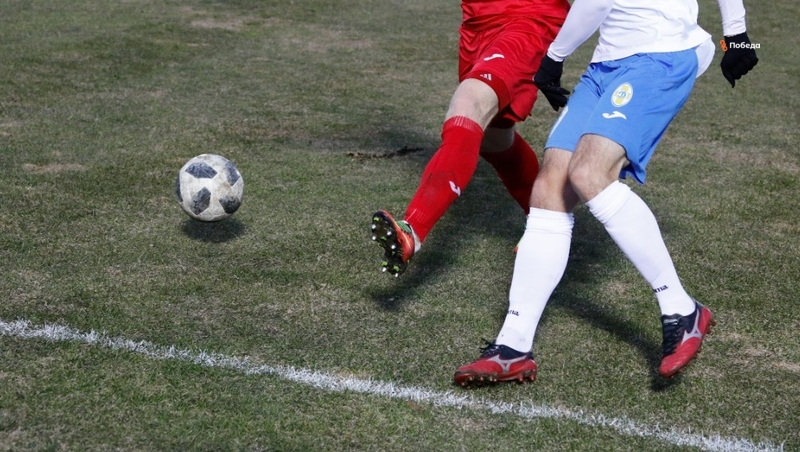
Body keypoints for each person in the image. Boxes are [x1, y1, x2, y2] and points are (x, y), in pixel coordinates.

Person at [453, 0, 758, 387]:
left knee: (589, 172)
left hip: (660, 55)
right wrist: (736, 36)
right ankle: (513, 346)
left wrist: (737, 36)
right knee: (548, 189)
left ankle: (682, 310)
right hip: (606, 64)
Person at [370, 0, 571, 276]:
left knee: (470, 104)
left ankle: (412, 230)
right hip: (478, 23)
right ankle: (547, 221)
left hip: (527, 18)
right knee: (493, 138)